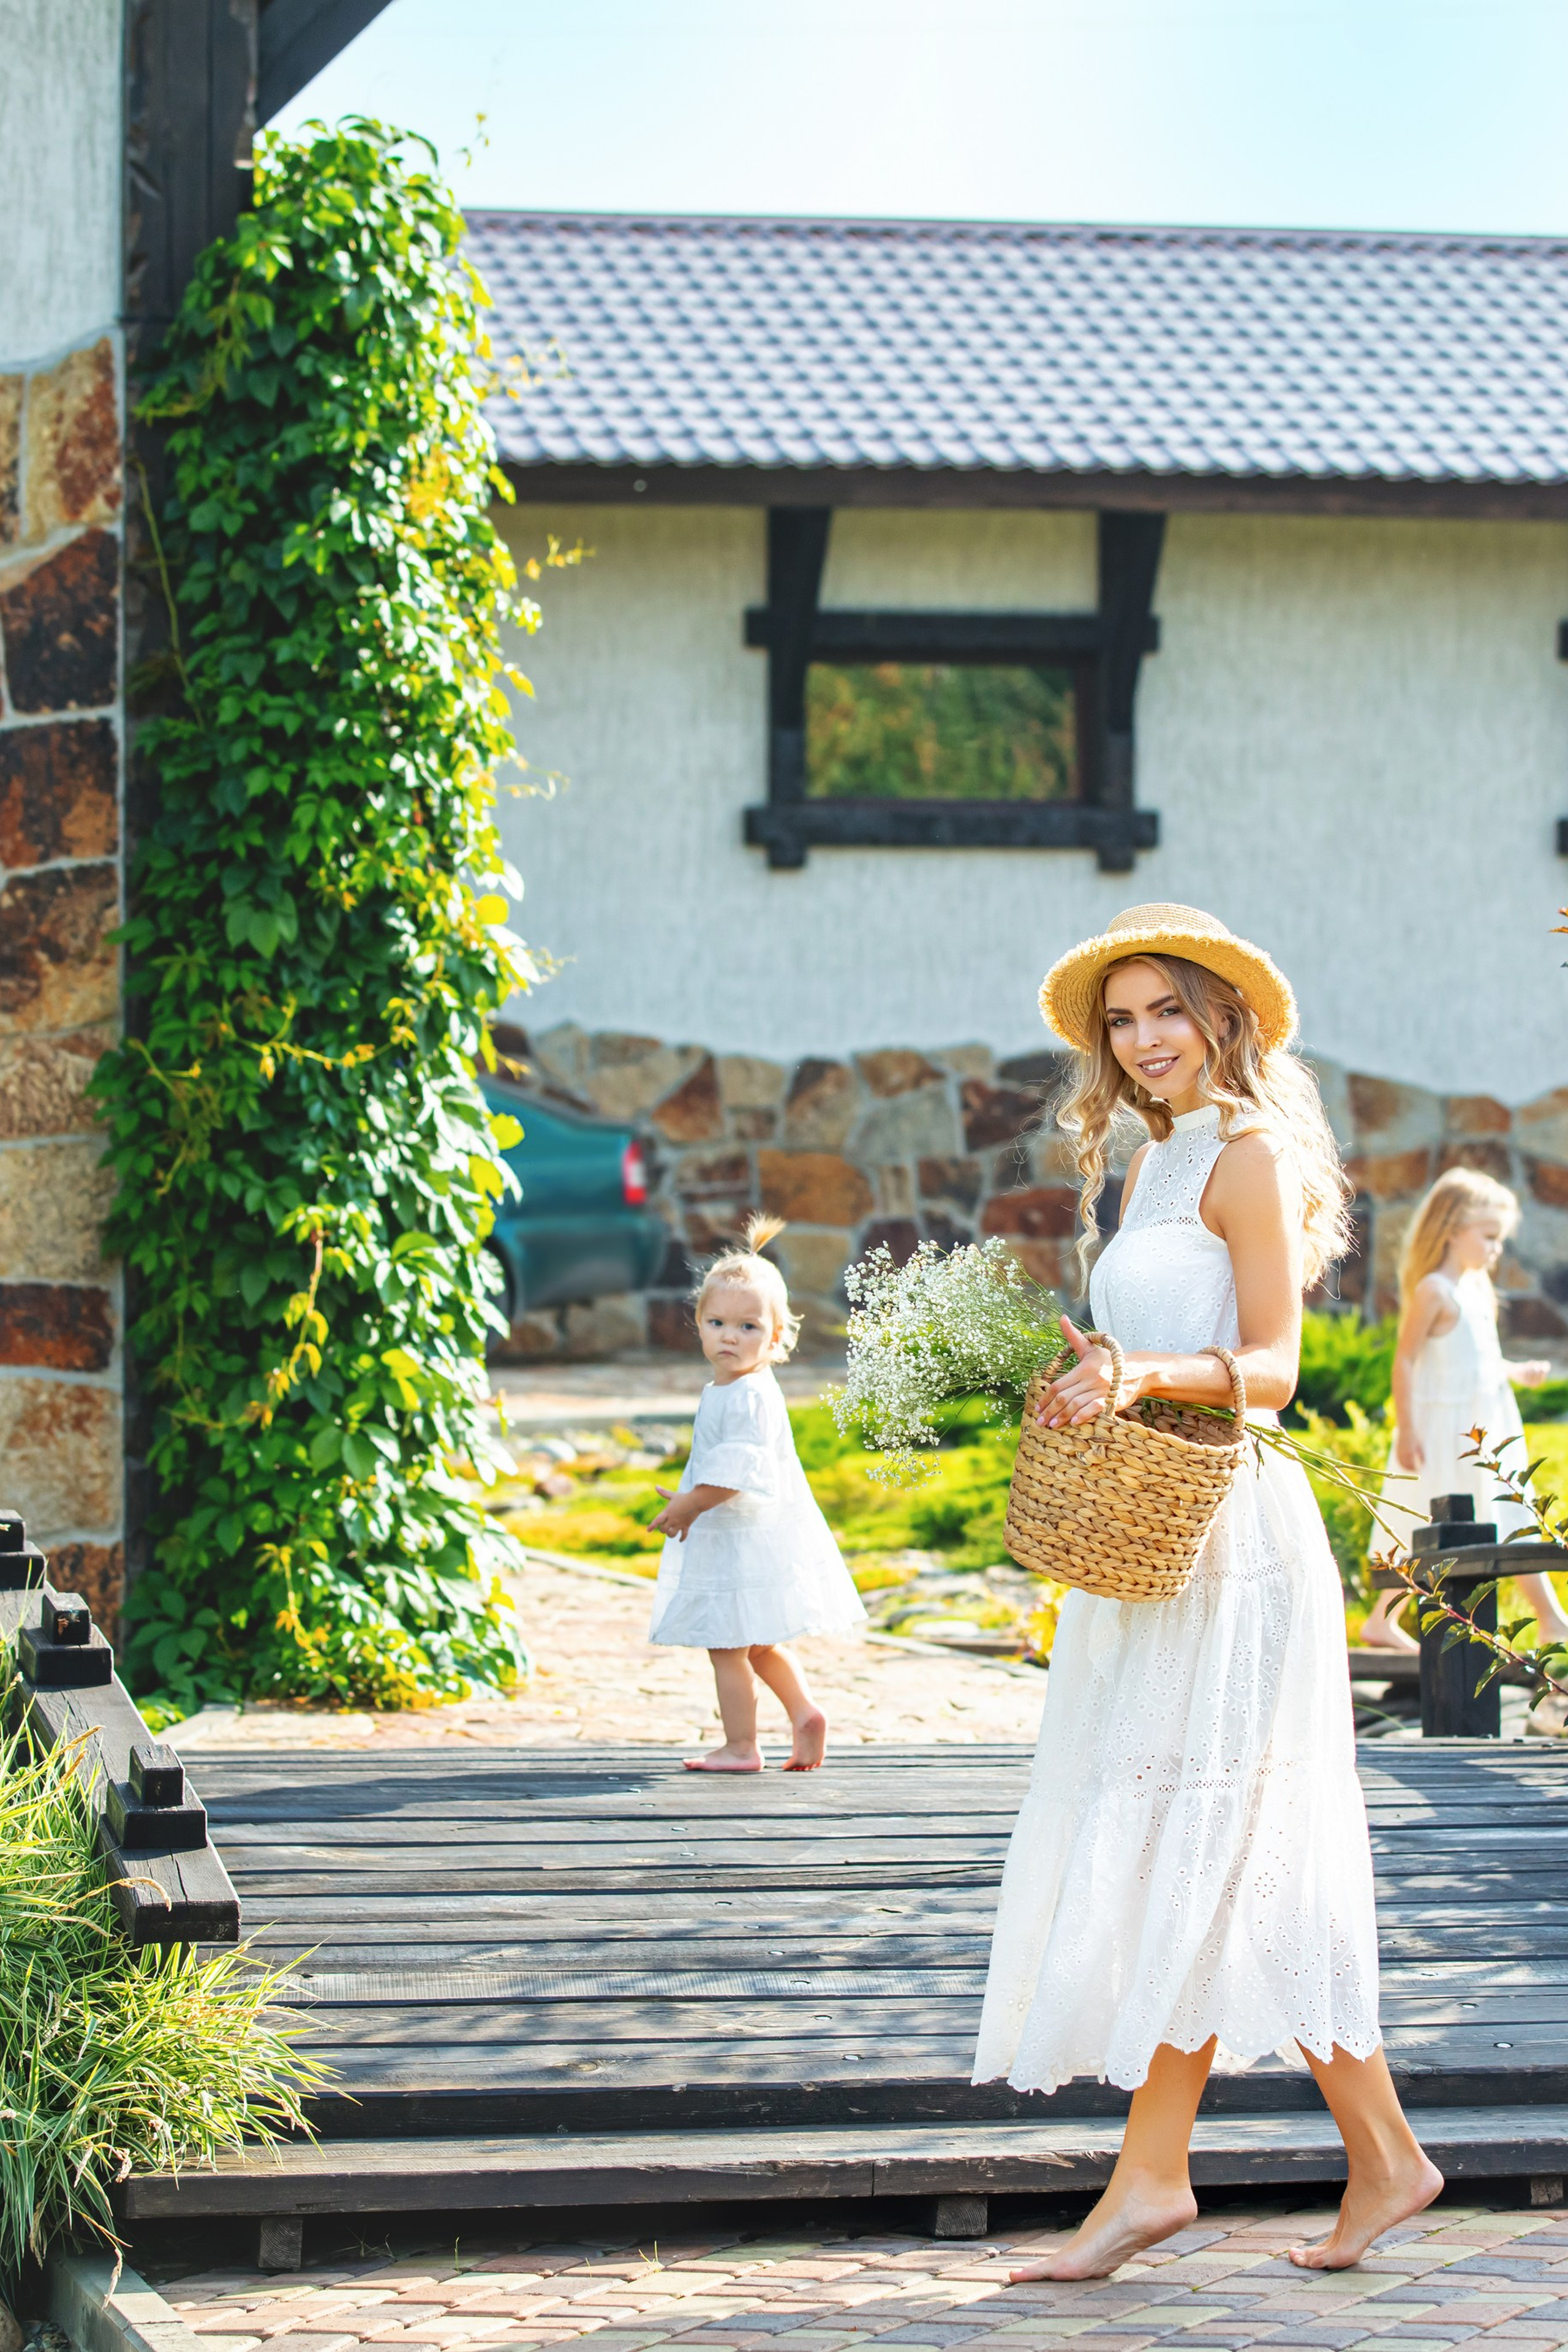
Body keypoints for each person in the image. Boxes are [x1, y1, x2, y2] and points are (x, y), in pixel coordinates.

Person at [974, 903, 1440, 2280]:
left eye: (1163, 1010)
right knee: (1203, 1839)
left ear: (1220, 1016)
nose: (1141, 1039)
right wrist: (1087, 1381)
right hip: (1149, 1531)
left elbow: (1274, 1371)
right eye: (1119, 1022)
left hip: (1232, 1536)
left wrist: (1145, 1373)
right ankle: (1356, 2160)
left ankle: (1160, 2179)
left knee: (1215, 1834)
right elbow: (1151, 1344)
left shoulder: (1244, 1157)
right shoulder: (1147, 1162)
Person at [647, 1213, 865, 1771]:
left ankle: (741, 1746)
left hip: (740, 1536)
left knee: (727, 1647)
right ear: (699, 1325)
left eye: (749, 1327)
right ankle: (804, 1713)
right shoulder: (737, 1388)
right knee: (760, 1643)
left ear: (776, 1336)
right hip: (757, 1533)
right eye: (718, 1322)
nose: (730, 1336)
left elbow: (736, 1470)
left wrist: (687, 1505)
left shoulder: (743, 1394)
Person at [1362, 1167, 1564, 1651]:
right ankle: (1381, 1620)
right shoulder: (1435, 1290)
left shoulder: (1475, 1291)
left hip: (1483, 1429)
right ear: (1453, 1229)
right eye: (1489, 1237)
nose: (1497, 1249)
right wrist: (1407, 1428)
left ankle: (1551, 1615)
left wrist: (1517, 1371)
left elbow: (1478, 1362)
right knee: (1423, 1519)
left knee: (1506, 1513)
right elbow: (1405, 1361)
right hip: (1443, 1433)